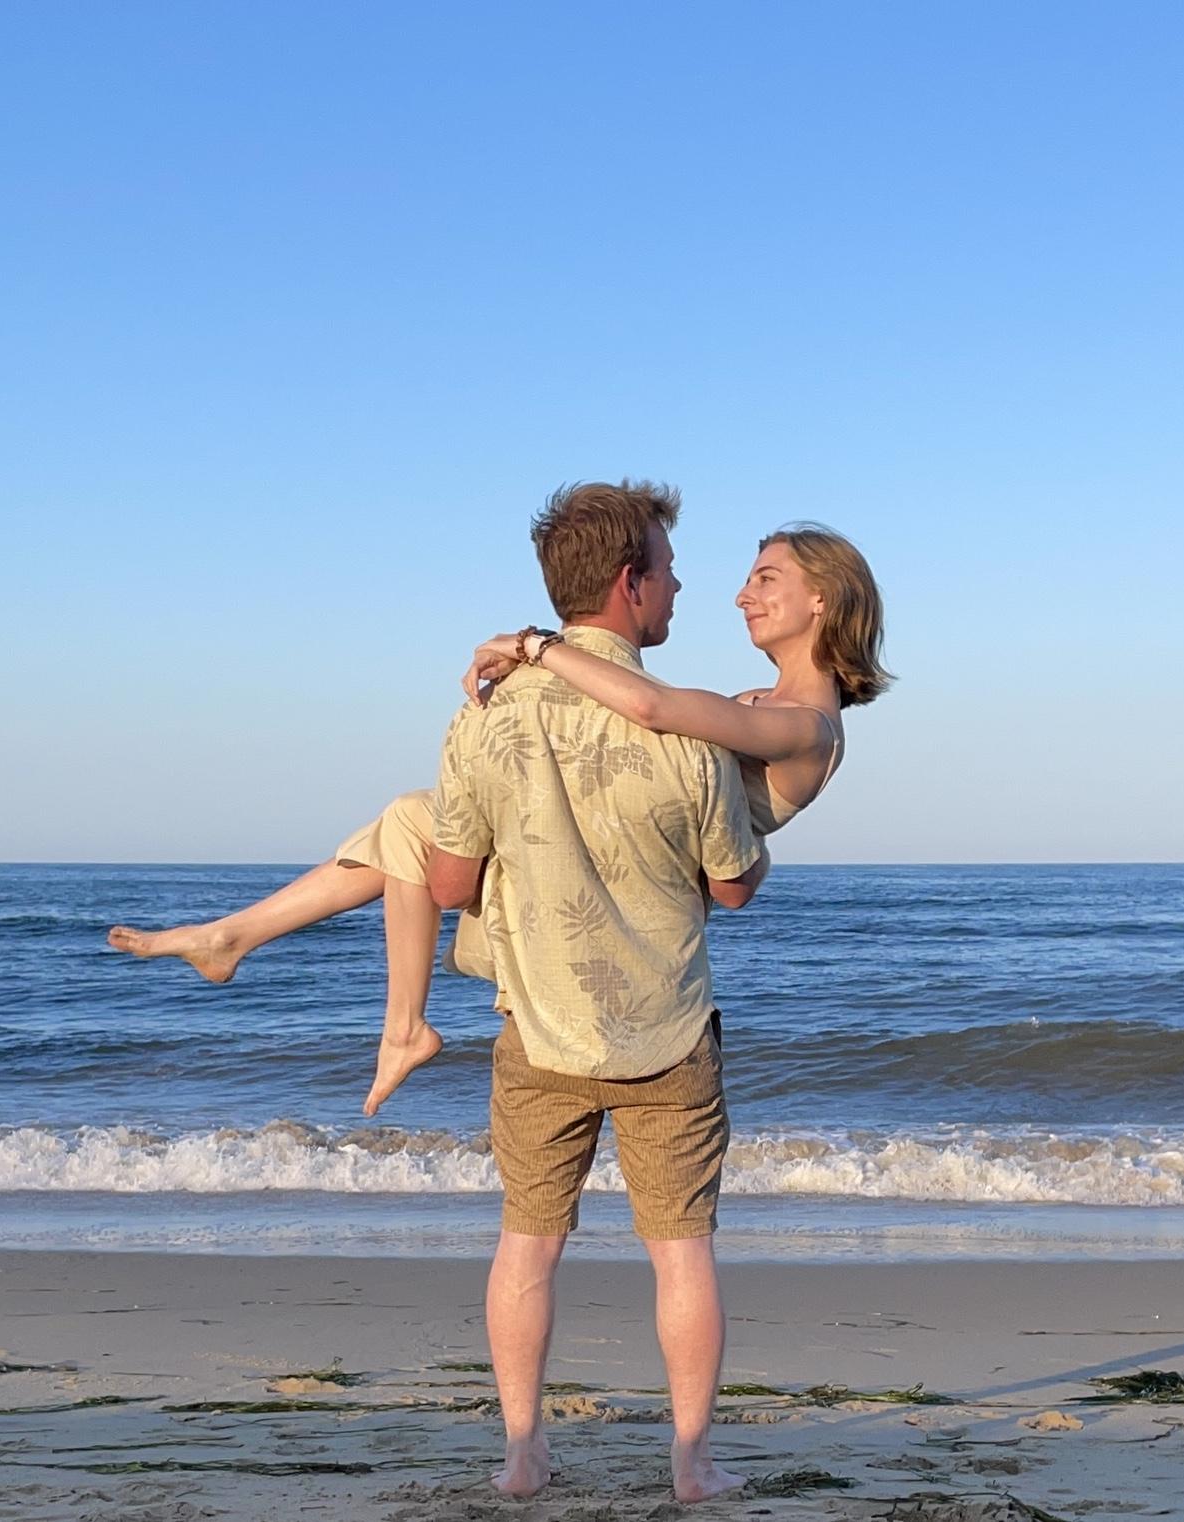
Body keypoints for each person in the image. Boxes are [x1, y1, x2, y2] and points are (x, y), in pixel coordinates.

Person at [106, 507, 890, 1118]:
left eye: (766, 579)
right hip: (621, 861)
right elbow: (652, 745)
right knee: (410, 821)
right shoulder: (757, 702)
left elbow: (652, 711)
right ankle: (256, 949)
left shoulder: (806, 725)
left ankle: (366, 1008)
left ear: (822, 596)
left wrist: (538, 648)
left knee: (414, 823)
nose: (741, 594)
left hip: (639, 887)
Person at [426, 479, 764, 1501]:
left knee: (527, 1243)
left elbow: (447, 884)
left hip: (541, 1027)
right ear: (629, 583)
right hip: (668, 1028)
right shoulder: (690, 731)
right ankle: (691, 1460)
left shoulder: (484, 719)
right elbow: (731, 886)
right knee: (682, 1255)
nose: (679, 586)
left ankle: (523, 1451)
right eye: (668, 568)